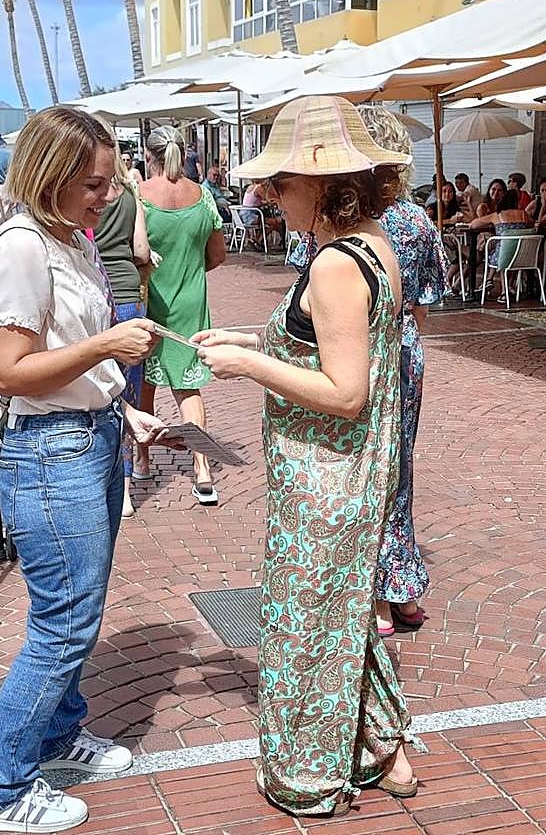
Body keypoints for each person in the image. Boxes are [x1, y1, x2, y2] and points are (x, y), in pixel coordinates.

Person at [192, 94, 419, 819]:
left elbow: (345, 390)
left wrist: (248, 366)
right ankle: (387, 749)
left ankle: (310, 773)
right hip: (346, 472)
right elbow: (327, 344)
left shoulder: (336, 263)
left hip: (327, 475)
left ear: (323, 183)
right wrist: (247, 341)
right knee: (341, 608)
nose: (266, 194)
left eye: (280, 182)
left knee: (308, 618)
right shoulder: (367, 242)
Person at [0, 105, 175, 835]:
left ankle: (57, 735)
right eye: (93, 184)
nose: (107, 197)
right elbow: (9, 371)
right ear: (49, 178)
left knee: (75, 615)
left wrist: (120, 404)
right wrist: (107, 349)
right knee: (63, 625)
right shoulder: (22, 249)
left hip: (86, 439)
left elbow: (65, 353)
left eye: (109, 182)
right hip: (52, 452)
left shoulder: (69, 238)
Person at [358, 106, 445, 638]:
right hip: (406, 349)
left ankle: (377, 597)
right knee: (400, 469)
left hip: (360, 350)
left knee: (365, 469)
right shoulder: (416, 220)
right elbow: (425, 305)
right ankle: (402, 588)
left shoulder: (346, 223)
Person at [137, 125, 227, 505]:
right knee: (188, 387)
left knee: (144, 383)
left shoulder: (139, 196)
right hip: (191, 300)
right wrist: (190, 269)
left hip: (150, 298)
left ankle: (142, 460)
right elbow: (218, 254)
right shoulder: (203, 197)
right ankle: (202, 469)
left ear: (149, 155)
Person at [93, 123, 154, 519]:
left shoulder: (82, 198)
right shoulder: (131, 196)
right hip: (130, 296)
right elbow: (141, 250)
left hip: (99, 293)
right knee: (128, 392)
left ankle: (102, 479)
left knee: (100, 391)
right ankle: (127, 489)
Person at [469, 188, 534, 301]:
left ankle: (502, 291)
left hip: (503, 257)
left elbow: (473, 224)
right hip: (524, 256)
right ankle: (500, 285)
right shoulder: (524, 215)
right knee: (503, 249)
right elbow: (533, 224)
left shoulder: (497, 216)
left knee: (496, 249)